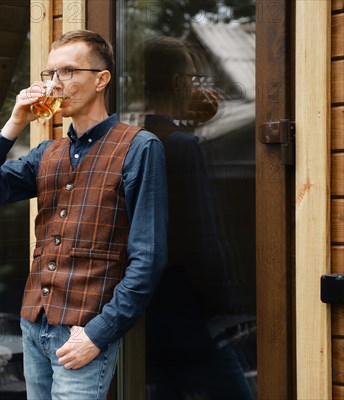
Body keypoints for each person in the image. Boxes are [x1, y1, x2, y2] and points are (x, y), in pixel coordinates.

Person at [0, 30, 168, 400]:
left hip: (84, 331)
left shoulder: (139, 146)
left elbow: (148, 257)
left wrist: (99, 333)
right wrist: (14, 124)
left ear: (101, 79)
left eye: (68, 71)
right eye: (51, 73)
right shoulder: (46, 153)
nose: (56, 83)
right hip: (34, 324)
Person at [140, 36, 255, 400]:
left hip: (149, 316)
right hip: (191, 317)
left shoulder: (137, 139)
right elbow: (204, 240)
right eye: (192, 80)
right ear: (177, 84)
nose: (196, 89)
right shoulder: (183, 147)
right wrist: (231, 306)